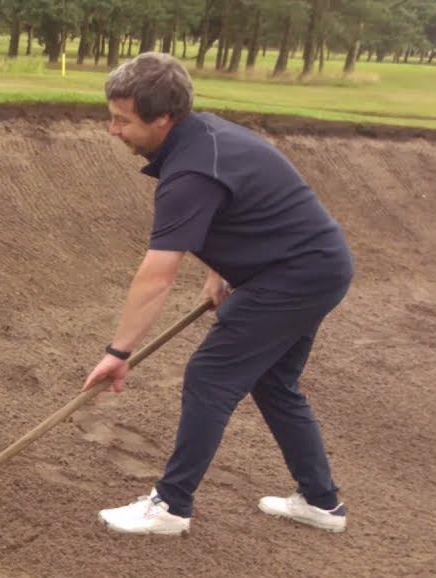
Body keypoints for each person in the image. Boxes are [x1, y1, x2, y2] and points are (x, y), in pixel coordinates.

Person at [84, 53, 354, 536]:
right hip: (316, 266)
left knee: (210, 375)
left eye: (123, 120)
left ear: (163, 118)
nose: (113, 130)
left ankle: (171, 506)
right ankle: (321, 502)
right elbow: (233, 210)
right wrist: (217, 270)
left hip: (294, 275)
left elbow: (157, 276)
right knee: (273, 382)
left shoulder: (191, 172)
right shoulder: (201, 138)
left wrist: (118, 353)